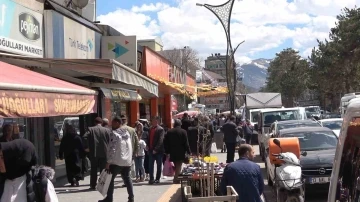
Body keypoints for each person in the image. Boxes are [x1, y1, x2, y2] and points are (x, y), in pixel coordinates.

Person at [99, 117, 134, 202]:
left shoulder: (114, 134)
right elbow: (130, 146)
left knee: (110, 179)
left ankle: (109, 198)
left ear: (118, 123)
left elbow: (112, 148)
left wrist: (108, 161)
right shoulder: (127, 133)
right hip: (127, 161)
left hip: (116, 161)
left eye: (113, 123)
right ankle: (131, 198)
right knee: (127, 178)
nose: (111, 125)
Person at [83, 117, 111, 190]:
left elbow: (84, 137)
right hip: (104, 153)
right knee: (103, 170)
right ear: (101, 123)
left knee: (93, 169)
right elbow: (110, 140)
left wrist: (87, 147)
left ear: (94, 122)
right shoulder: (107, 130)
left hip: (94, 152)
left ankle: (93, 185)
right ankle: (102, 185)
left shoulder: (91, 129)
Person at [164, 119, 191, 184]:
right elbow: (186, 143)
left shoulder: (169, 132)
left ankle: (177, 177)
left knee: (177, 165)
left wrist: (167, 151)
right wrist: (189, 151)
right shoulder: (183, 131)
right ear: (180, 124)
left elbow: (165, 142)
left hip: (172, 151)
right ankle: (176, 178)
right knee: (179, 164)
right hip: (181, 151)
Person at [120, 115, 138, 186]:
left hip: (122, 152)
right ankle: (128, 181)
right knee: (129, 166)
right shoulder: (132, 130)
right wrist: (136, 151)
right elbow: (136, 141)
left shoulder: (119, 129)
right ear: (126, 121)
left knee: (122, 168)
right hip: (131, 152)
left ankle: (126, 181)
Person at [147, 116, 165, 184]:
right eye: (152, 121)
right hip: (151, 150)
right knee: (150, 165)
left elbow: (160, 140)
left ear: (157, 121)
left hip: (158, 151)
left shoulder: (160, 129)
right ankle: (151, 178)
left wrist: (156, 149)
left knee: (159, 165)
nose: (152, 122)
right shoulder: (150, 129)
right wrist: (147, 145)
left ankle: (157, 178)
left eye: (154, 121)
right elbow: (149, 139)